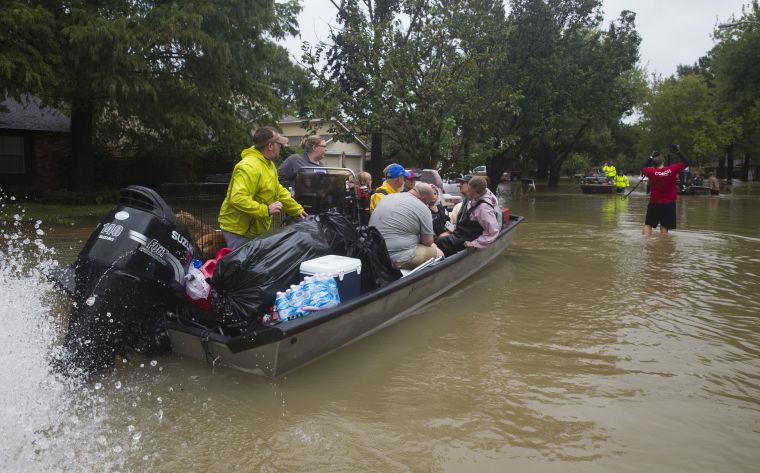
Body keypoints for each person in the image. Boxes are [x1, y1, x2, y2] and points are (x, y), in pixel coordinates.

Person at [218, 126, 308, 248]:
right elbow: (237, 198)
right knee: (243, 265)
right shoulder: (249, 166)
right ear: (270, 146)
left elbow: (278, 190)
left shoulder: (268, 165)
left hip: (254, 229)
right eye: (279, 144)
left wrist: (297, 210)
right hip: (239, 231)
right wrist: (266, 210)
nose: (280, 147)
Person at [369, 182, 442, 269]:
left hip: (373, 252)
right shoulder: (423, 208)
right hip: (395, 257)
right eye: (428, 202)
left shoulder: (388, 197)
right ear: (424, 199)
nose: (428, 205)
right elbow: (428, 242)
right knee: (438, 252)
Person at [436, 176, 499, 256]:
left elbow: (492, 232)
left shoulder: (484, 209)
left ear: (479, 192)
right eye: (469, 191)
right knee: (440, 239)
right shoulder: (475, 198)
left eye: (471, 193)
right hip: (462, 233)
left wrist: (474, 243)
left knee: (441, 243)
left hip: (470, 238)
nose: (468, 194)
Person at [641, 145, 689, 235]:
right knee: (664, 226)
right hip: (669, 203)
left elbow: (642, 167)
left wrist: (651, 157)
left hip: (654, 203)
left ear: (653, 165)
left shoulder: (651, 172)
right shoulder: (672, 169)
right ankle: (663, 246)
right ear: (663, 162)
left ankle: (645, 244)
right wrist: (678, 152)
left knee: (648, 224)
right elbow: (686, 162)